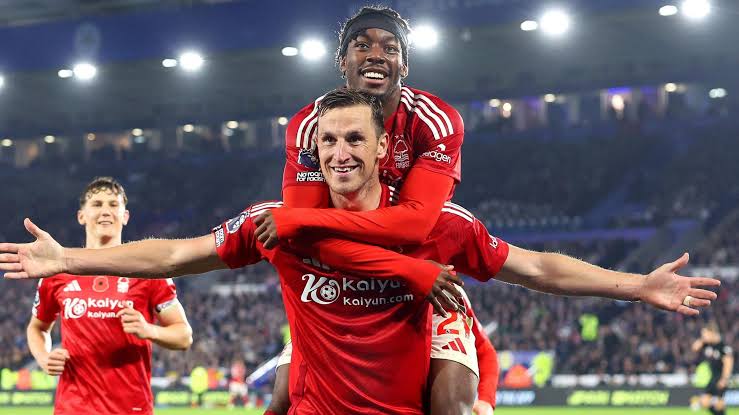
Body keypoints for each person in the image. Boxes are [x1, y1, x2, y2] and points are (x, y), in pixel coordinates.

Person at [1, 89, 721, 414]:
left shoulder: (443, 225)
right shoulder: (277, 223)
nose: (341, 151)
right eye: (329, 140)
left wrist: (634, 286)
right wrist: (69, 260)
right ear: (312, 150)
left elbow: (535, 267)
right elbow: (172, 254)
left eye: (356, 139)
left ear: (383, 147)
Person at [25, 177, 193, 415]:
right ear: (81, 216)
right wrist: (43, 357)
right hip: (73, 408)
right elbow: (37, 328)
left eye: (113, 205)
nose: (105, 211)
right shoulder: (57, 273)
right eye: (97, 204)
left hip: (131, 408)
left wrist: (148, 330)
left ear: (125, 216)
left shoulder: (148, 271)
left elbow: (184, 336)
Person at [265, 284, 500, 415]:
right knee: (280, 401)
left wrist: (486, 401)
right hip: (333, 311)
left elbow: (485, 350)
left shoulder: (447, 292)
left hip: (406, 366)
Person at [691, 322, 734, 415]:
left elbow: (728, 363)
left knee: (718, 404)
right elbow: (694, 348)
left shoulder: (722, 346)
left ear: (712, 332)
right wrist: (703, 339)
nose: (703, 336)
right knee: (705, 402)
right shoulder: (708, 344)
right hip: (712, 378)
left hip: (721, 377)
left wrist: (724, 379)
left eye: (705, 334)